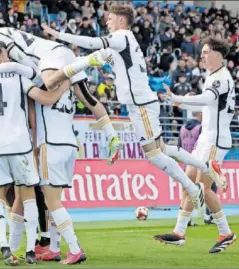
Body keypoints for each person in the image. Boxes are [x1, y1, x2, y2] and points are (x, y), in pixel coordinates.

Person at [41, 3, 227, 216]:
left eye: (110, 19)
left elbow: (92, 42)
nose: (107, 22)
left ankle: (192, 187)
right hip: (141, 104)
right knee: (163, 150)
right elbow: (89, 60)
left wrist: (58, 34)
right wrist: (63, 71)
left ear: (121, 20)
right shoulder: (120, 46)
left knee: (155, 155)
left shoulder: (122, 37)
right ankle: (205, 167)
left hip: (141, 105)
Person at [0, 12, 123, 166]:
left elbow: (18, 56)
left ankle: (87, 60)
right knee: (88, 99)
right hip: (63, 54)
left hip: (48, 57)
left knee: (49, 83)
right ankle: (112, 137)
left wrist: (34, 75)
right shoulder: (5, 31)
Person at [0, 42, 73, 265]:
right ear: (1, 59)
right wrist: (65, 84)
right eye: (6, 55)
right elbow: (43, 95)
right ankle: (30, 250)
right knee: (27, 194)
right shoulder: (18, 77)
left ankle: (4, 247)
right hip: (20, 143)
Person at [154, 36, 236, 254]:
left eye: (207, 51)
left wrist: (181, 99)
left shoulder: (222, 77)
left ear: (218, 55)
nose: (202, 55)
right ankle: (179, 232)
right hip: (205, 138)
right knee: (189, 182)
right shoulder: (212, 76)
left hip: (216, 140)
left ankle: (226, 233)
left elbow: (208, 99)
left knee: (203, 187)